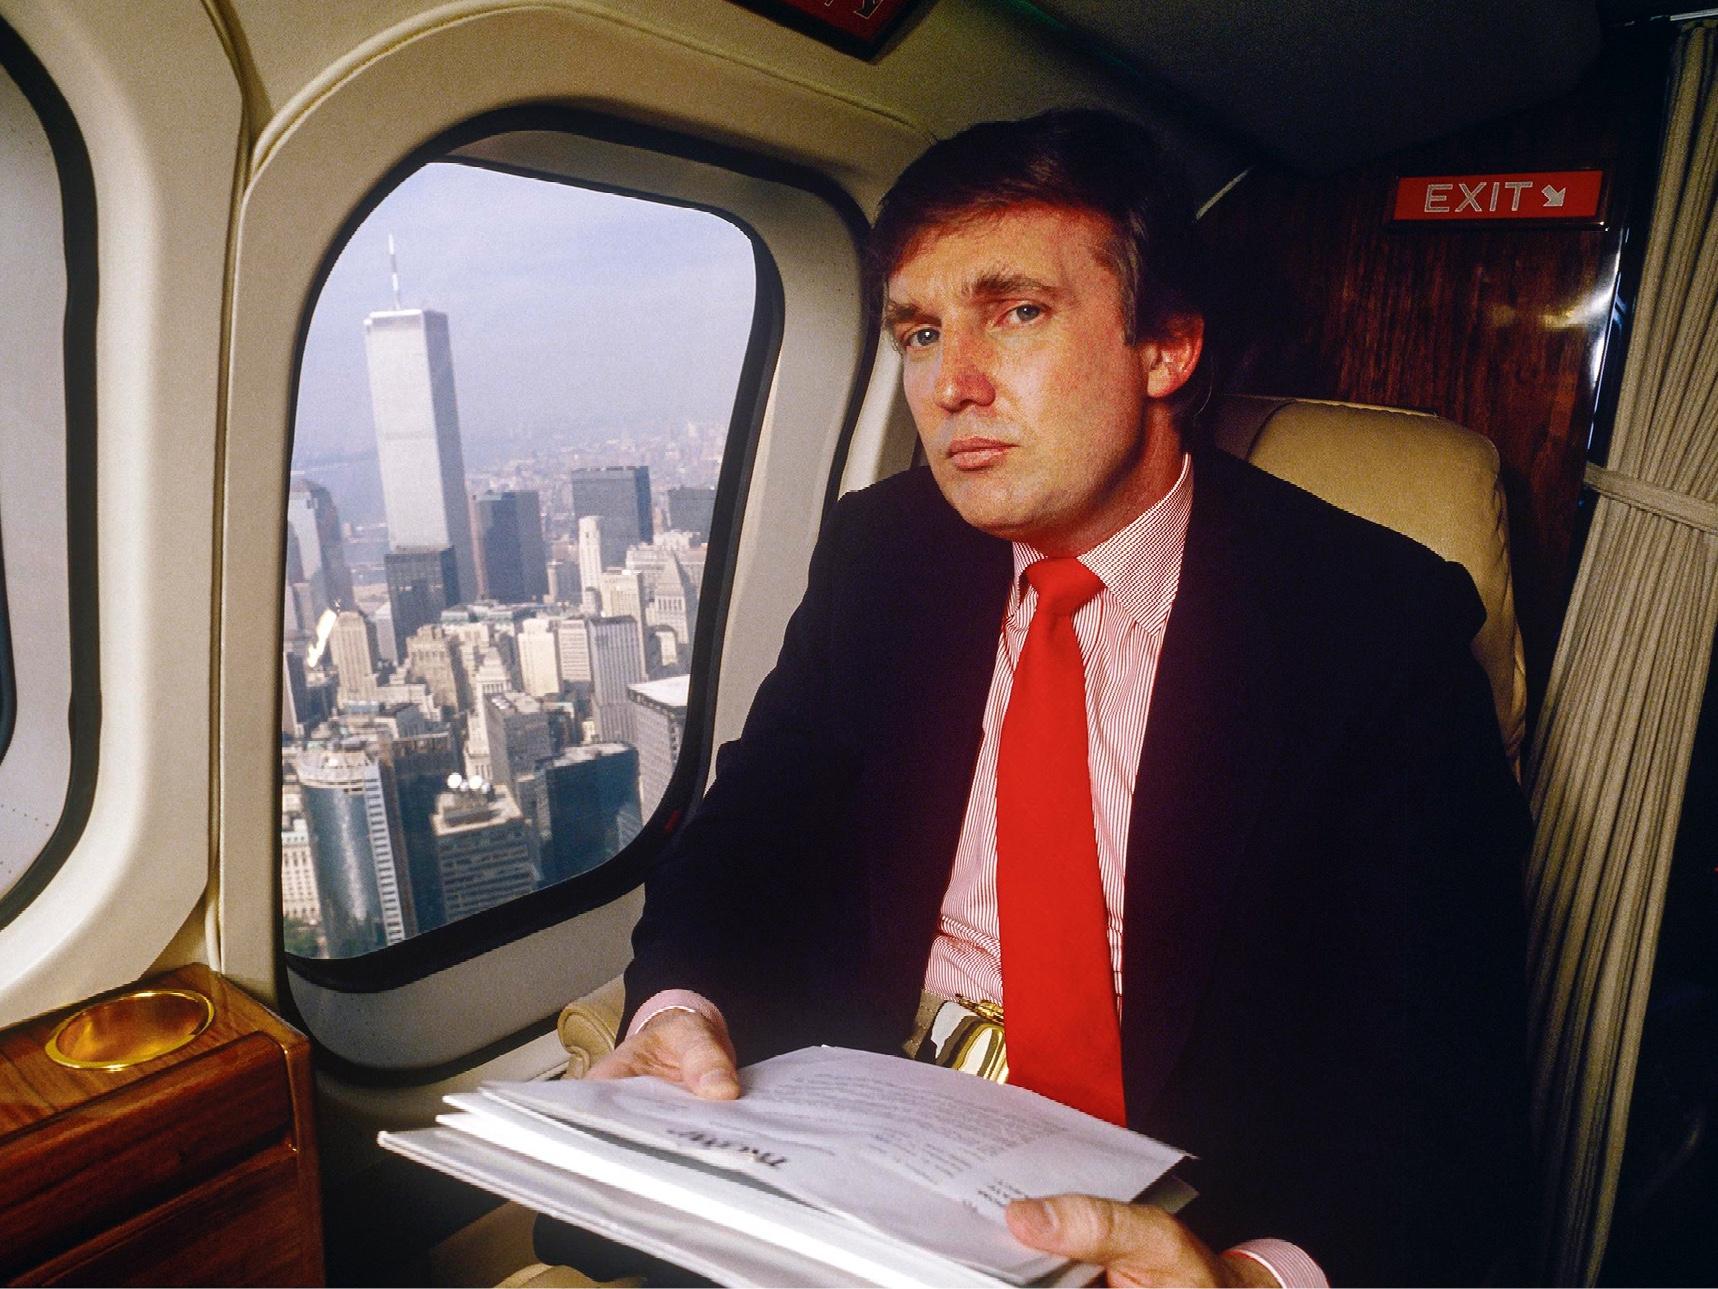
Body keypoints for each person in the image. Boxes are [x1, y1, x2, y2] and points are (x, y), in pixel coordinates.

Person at [586, 110, 1531, 1287]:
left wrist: (1252, 1276)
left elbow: (1441, 1079)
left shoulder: (1372, 626)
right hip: (854, 1149)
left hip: (1180, 1206)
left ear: (1165, 347)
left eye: (1017, 312)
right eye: (919, 331)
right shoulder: (882, 552)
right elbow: (741, 838)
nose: (950, 383)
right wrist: (678, 1006)